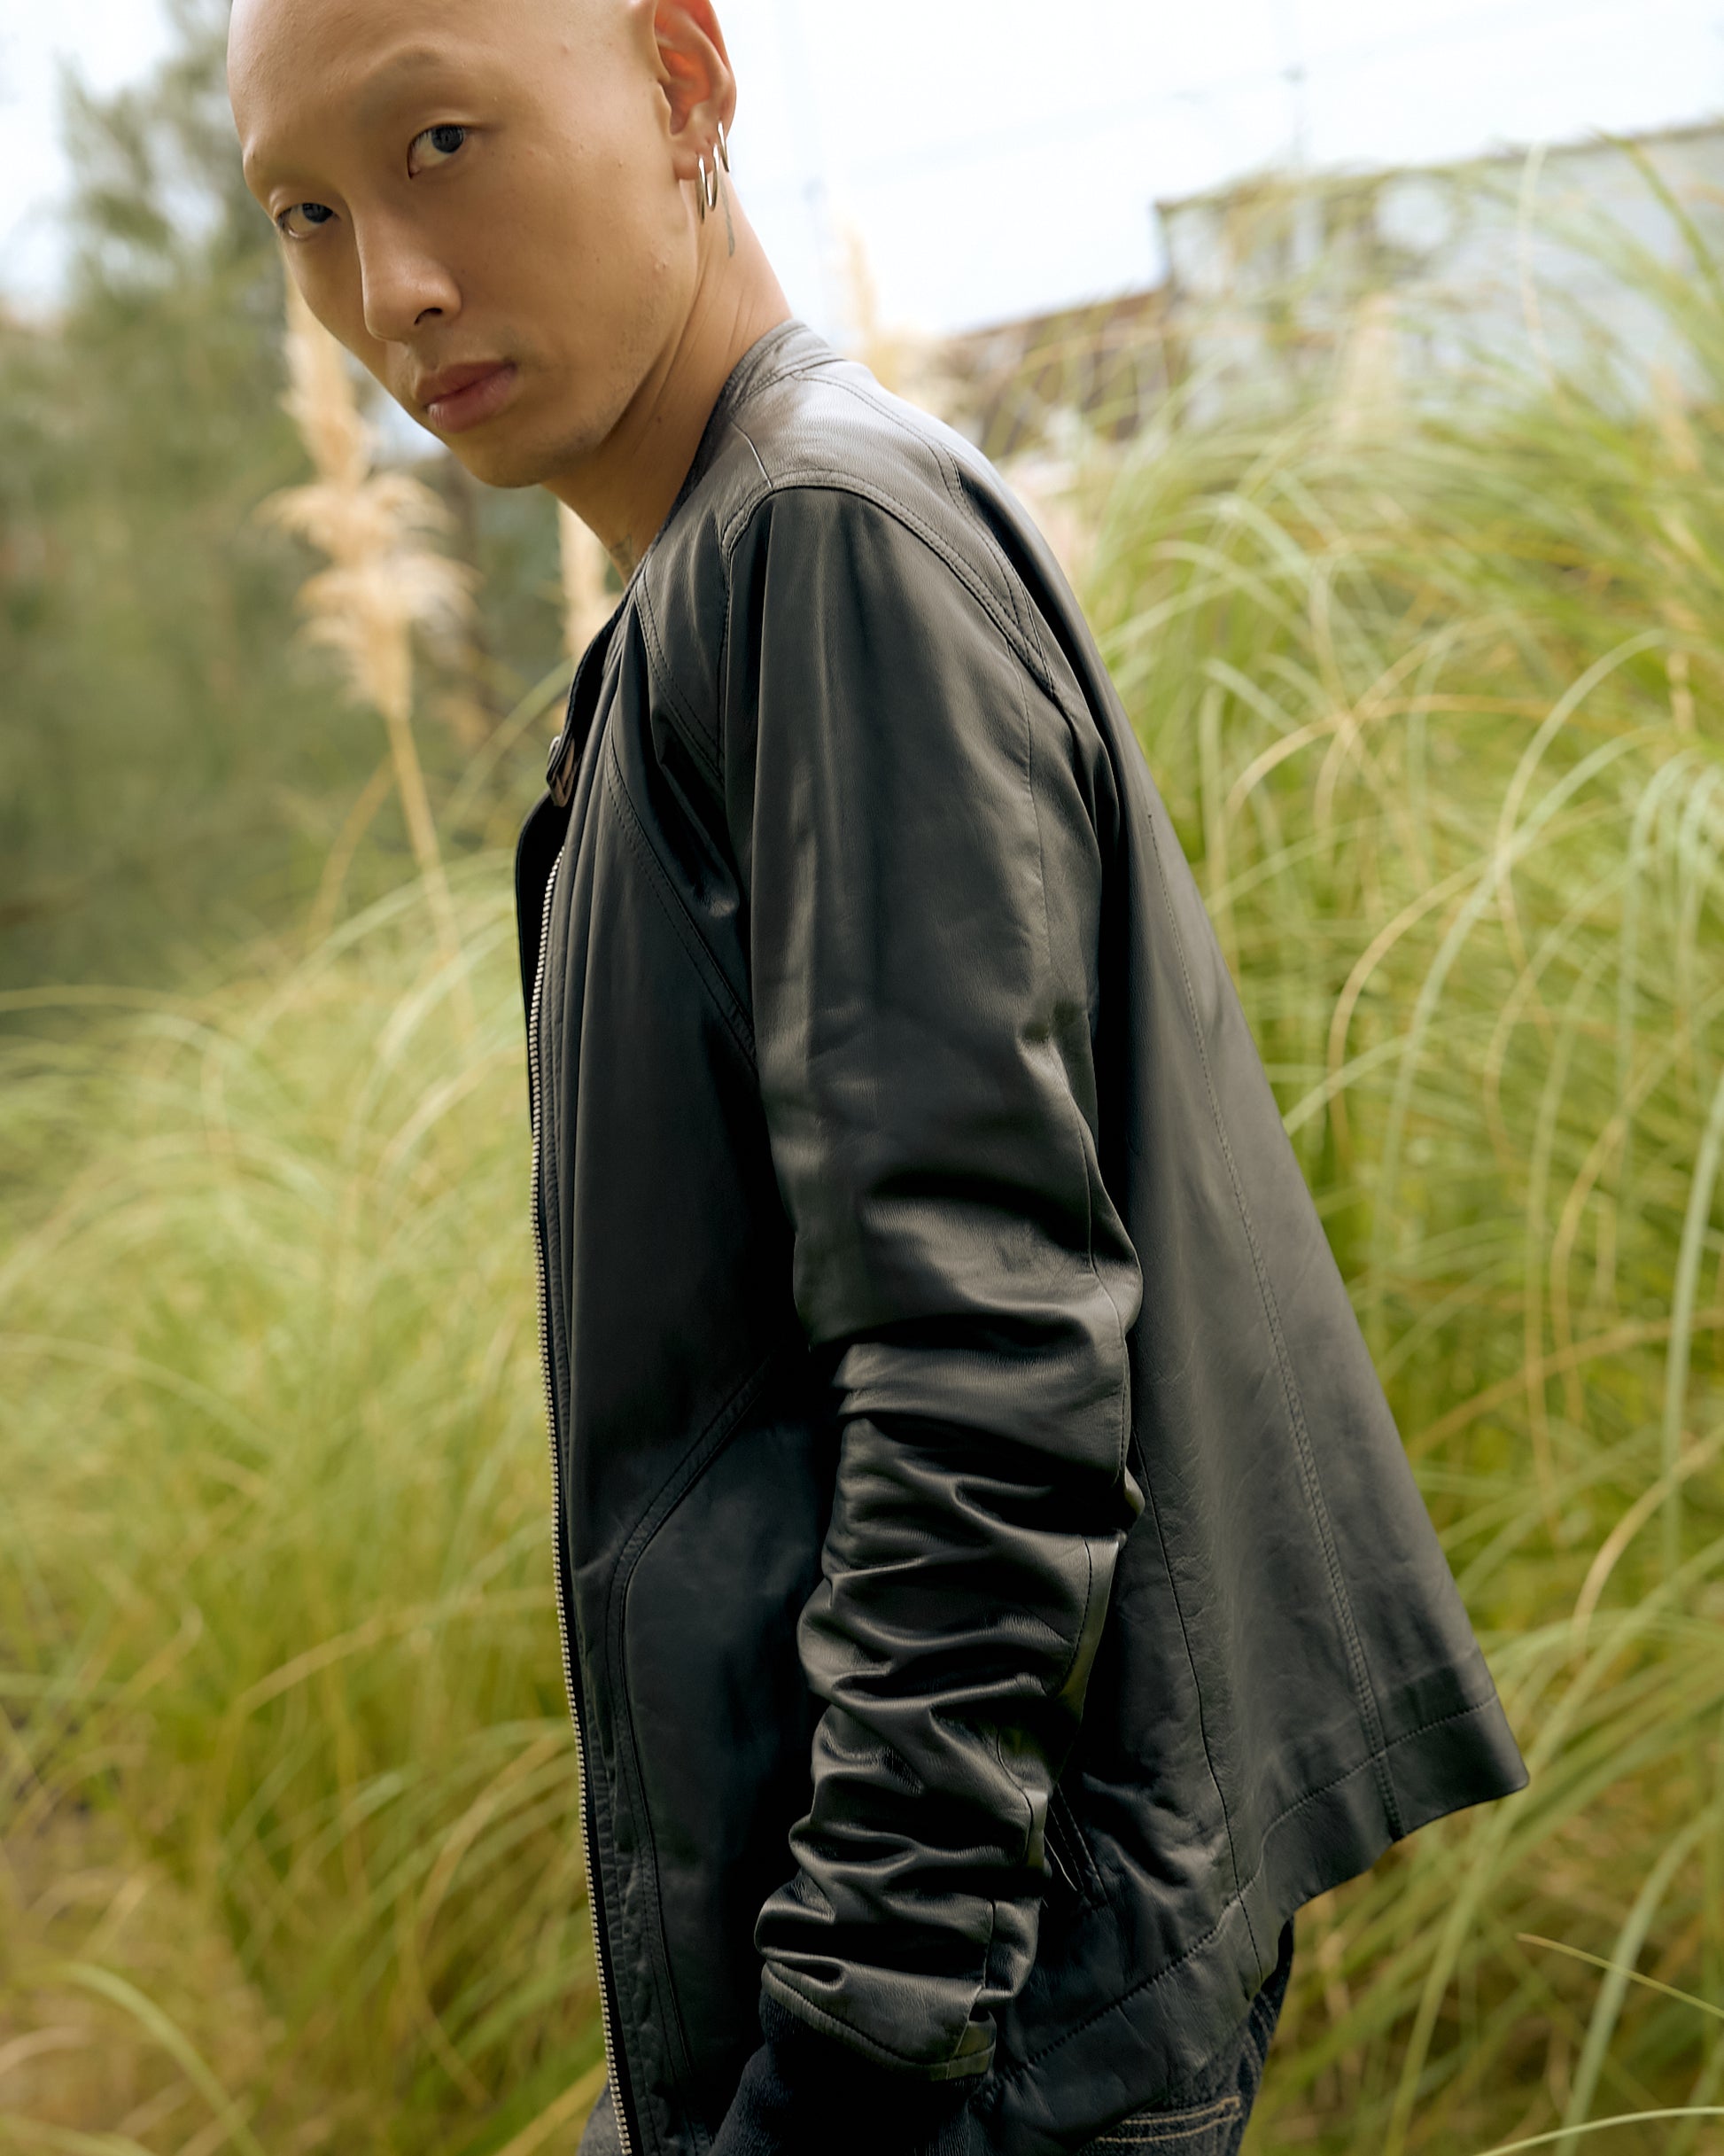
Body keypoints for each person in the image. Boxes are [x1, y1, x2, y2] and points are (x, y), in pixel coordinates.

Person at [227, 4, 1529, 2151]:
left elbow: (983, 1357)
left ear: (680, 80)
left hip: (966, 2024)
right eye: (308, 215)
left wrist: (847, 2047)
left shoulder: (820, 541)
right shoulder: (718, 576)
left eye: (441, 140)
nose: (390, 289)